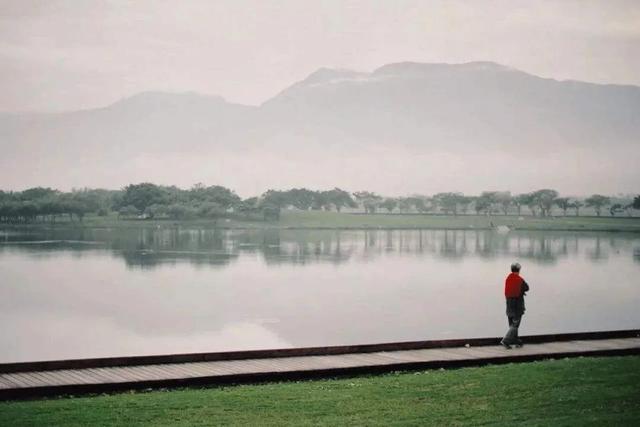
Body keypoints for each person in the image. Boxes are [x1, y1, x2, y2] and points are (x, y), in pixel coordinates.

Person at [500, 262, 530, 349]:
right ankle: (505, 341)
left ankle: (516, 341)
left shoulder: (508, 279)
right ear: (519, 270)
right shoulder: (520, 279)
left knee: (511, 324)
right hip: (517, 303)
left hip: (508, 302)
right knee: (516, 323)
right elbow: (527, 288)